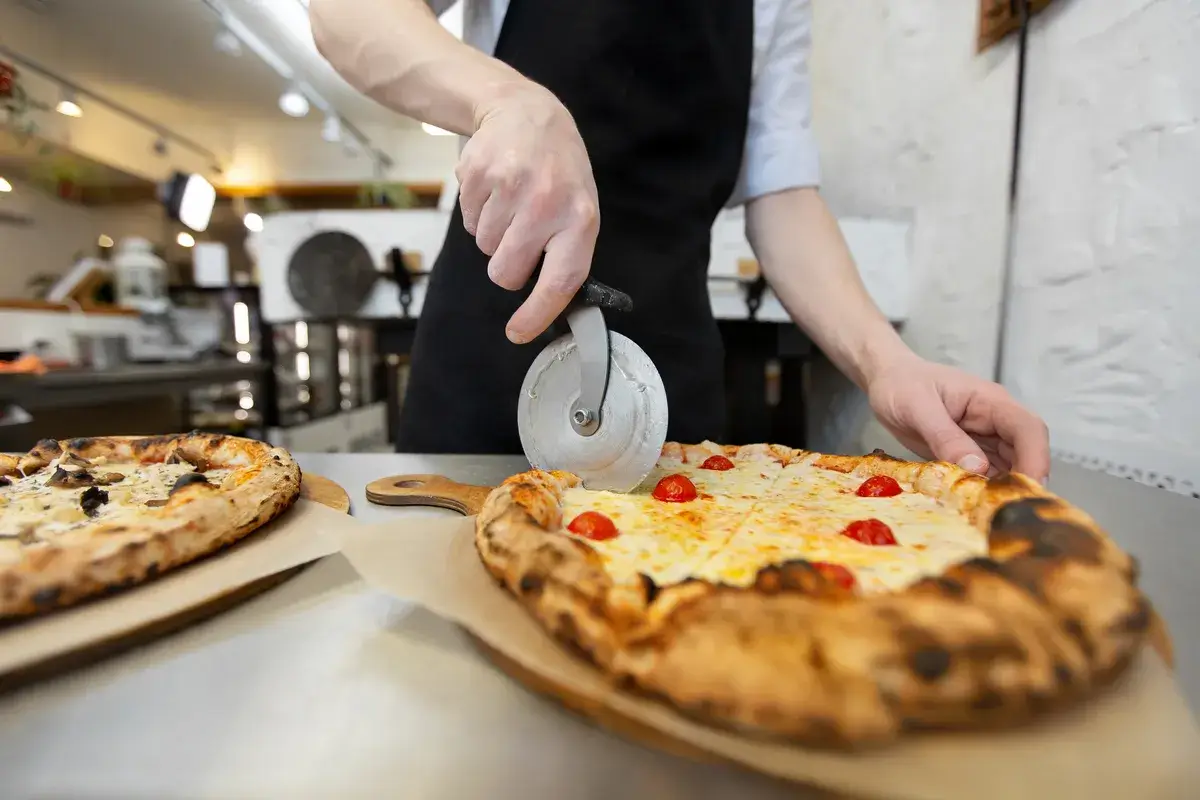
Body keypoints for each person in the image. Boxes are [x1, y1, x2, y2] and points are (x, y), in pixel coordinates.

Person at [310, 0, 1051, 482]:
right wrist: (506, 99)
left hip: (669, 381)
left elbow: (781, 189)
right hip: (487, 353)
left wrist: (888, 364)